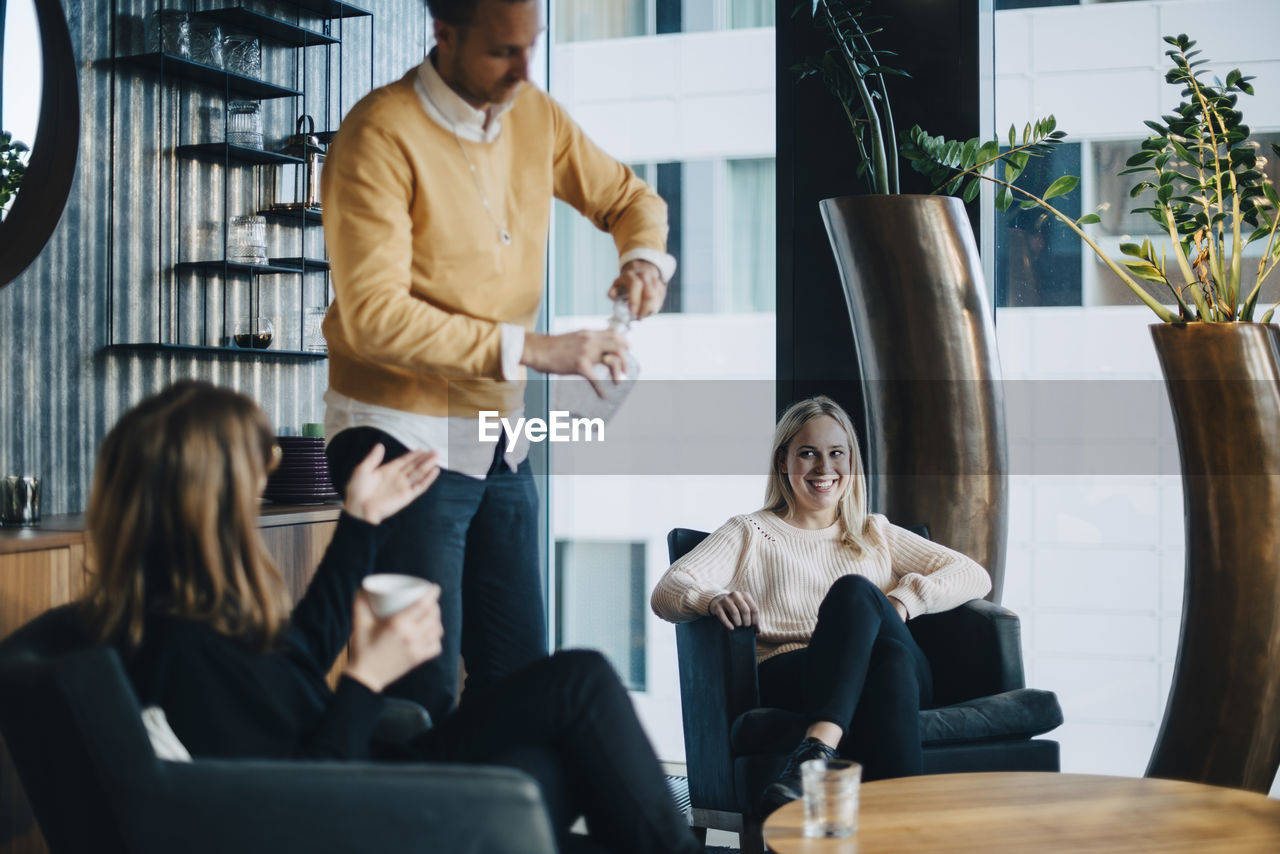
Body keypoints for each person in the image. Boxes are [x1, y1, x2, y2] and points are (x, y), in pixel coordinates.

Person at [79, 381, 701, 854]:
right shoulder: (177, 651)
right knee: (578, 689)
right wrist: (366, 679)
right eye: (252, 473)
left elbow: (300, 654)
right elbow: (296, 803)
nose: (264, 482)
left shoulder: (185, 615)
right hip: (365, 808)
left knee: (555, 735)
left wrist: (361, 521)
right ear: (203, 500)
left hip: (373, 779)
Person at [320, 0, 676, 722]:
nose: (523, 71)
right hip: (399, 433)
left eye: (532, 48)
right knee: (415, 693)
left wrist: (643, 259)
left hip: (494, 438)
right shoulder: (378, 134)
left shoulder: (535, 116)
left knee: (517, 682)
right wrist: (537, 350)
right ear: (443, 35)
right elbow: (374, 316)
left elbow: (630, 197)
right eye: (502, 53)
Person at [650, 396, 992, 814]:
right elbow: (667, 591)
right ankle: (902, 832)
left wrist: (902, 603)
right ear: (783, 462)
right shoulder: (751, 532)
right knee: (887, 660)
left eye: (836, 454)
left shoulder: (874, 531)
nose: (823, 468)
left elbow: (973, 573)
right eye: (807, 453)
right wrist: (711, 597)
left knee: (856, 594)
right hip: (797, 672)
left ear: (851, 462)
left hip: (901, 673)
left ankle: (815, 752)